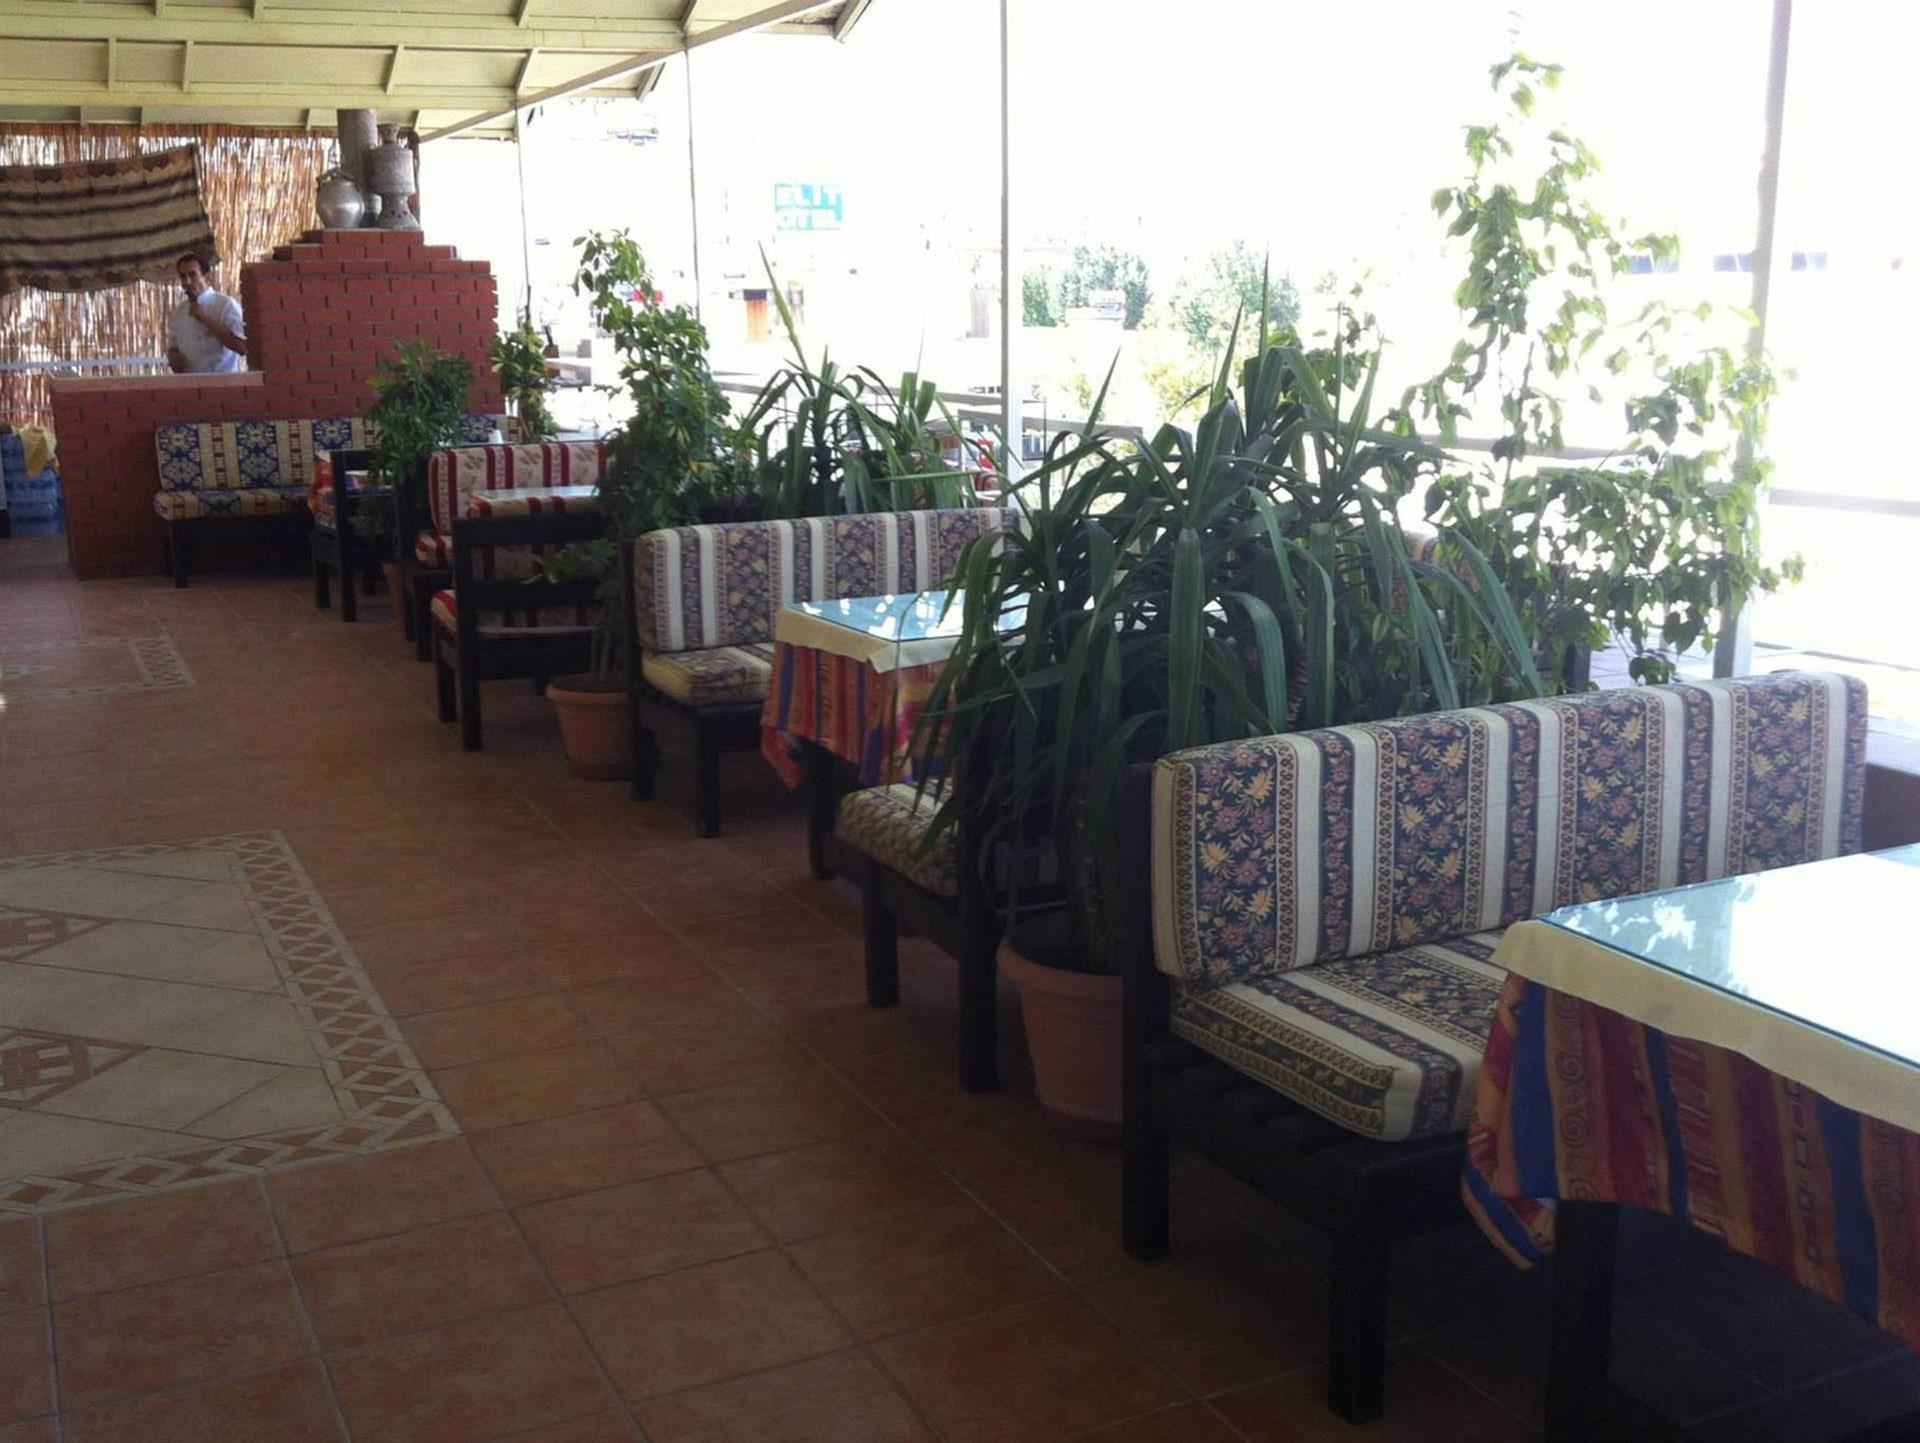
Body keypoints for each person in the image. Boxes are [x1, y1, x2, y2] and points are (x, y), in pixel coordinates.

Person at [166, 253, 247, 374]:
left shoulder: (225, 305)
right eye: (183, 276)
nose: (187, 281)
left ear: (206, 277)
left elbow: (242, 347)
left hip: (224, 382)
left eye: (192, 275)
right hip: (190, 381)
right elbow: (173, 346)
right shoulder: (180, 311)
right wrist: (173, 357)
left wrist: (205, 318)